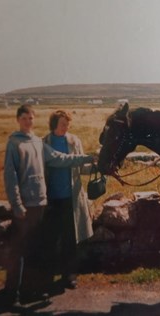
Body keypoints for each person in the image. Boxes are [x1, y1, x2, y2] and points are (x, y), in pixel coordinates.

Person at [2, 104, 93, 305]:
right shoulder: (24, 143)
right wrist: (17, 204)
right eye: (24, 118)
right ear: (18, 120)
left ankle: (39, 287)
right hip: (36, 203)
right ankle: (16, 293)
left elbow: (68, 161)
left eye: (31, 118)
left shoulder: (43, 142)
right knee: (30, 247)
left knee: (52, 244)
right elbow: (11, 176)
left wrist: (92, 161)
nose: (28, 122)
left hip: (54, 202)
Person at [42, 110, 93, 290]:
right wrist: (88, 158)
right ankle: (47, 276)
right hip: (52, 199)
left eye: (67, 124)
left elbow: (81, 168)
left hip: (71, 199)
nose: (66, 127)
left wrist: (97, 165)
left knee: (71, 240)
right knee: (51, 239)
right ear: (54, 124)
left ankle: (69, 276)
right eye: (63, 124)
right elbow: (63, 161)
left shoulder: (74, 141)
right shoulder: (44, 143)